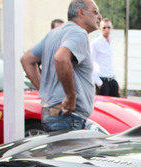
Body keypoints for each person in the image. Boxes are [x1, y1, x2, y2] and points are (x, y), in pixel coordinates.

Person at [21, 0, 101, 132]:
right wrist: (71, 96)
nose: (99, 17)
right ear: (81, 13)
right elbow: (61, 57)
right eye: (95, 12)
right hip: (67, 118)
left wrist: (45, 91)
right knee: (69, 153)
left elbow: (27, 59)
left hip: (52, 115)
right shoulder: (79, 33)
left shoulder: (54, 33)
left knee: (57, 153)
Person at [91, 18, 120, 97]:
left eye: (108, 27)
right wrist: (99, 82)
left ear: (112, 28)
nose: (106, 30)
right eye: (104, 27)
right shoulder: (95, 43)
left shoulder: (111, 42)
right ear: (100, 28)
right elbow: (90, 64)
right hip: (102, 80)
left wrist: (116, 81)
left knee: (116, 107)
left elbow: (111, 62)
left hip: (112, 80)